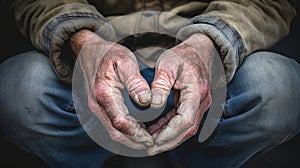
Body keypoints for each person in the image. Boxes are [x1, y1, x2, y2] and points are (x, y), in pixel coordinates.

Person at [0, 0, 299, 167]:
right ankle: (92, 160)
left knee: (278, 87)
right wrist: (83, 42)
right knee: (20, 87)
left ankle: (202, 161)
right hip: (94, 49)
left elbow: (269, 3)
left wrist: (209, 43)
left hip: (210, 51)